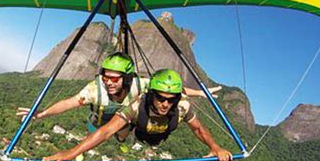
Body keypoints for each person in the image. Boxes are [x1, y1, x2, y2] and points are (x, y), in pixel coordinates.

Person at [43, 69, 233, 161]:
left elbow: (199, 129)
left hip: (156, 136)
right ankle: (125, 137)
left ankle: (132, 136)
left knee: (154, 137)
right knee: (120, 133)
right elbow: (106, 131)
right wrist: (71, 153)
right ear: (151, 94)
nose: (165, 104)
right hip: (138, 125)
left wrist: (215, 147)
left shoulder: (182, 105)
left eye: (171, 99)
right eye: (160, 98)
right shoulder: (136, 105)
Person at [17, 52, 221, 133]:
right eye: (105, 77)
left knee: (123, 134)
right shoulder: (95, 89)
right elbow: (69, 102)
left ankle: (122, 139)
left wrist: (201, 93)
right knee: (95, 133)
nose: (108, 82)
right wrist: (41, 113)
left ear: (127, 78)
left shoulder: (139, 84)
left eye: (114, 78)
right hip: (99, 121)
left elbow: (172, 89)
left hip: (123, 122)